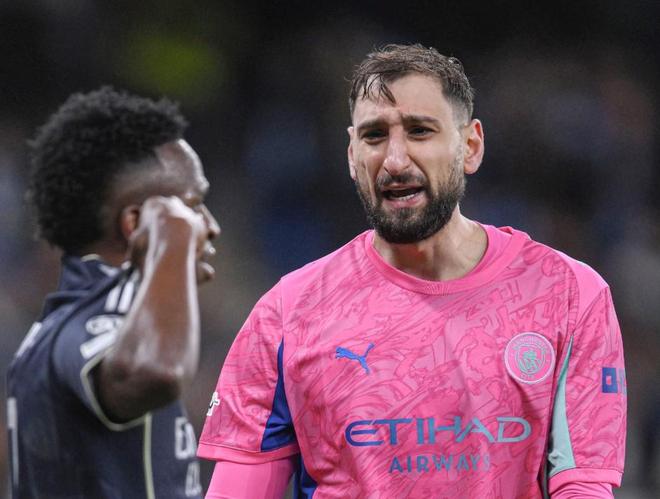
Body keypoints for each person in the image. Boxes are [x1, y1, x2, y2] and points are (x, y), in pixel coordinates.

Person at [197, 44, 626, 498]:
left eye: (420, 131)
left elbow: (583, 486)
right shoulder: (287, 313)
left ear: (470, 147)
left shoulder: (567, 294)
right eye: (374, 136)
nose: (395, 160)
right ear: (352, 156)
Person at [7, 87, 220, 498]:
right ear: (137, 223)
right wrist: (172, 236)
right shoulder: (99, 317)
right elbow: (155, 371)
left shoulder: (60, 325)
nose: (209, 226)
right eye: (193, 205)